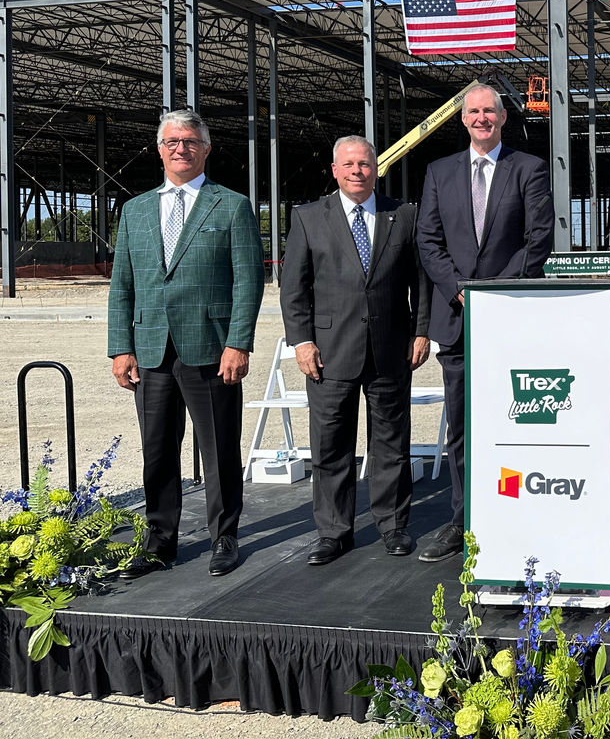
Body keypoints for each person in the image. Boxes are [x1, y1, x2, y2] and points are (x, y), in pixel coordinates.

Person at [107, 109, 265, 579]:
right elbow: (122, 285)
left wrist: (239, 342)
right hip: (151, 347)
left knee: (218, 447)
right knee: (157, 448)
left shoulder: (231, 206)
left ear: (206, 150)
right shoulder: (134, 210)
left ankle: (225, 536)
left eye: (191, 141)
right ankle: (160, 541)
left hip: (211, 348)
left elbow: (248, 281)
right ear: (159, 149)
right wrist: (120, 346)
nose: (181, 148)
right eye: (172, 141)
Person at [415, 83, 554, 562]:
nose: (481, 118)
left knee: (514, 422)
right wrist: (459, 289)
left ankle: (514, 513)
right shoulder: (438, 172)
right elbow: (428, 241)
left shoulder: (529, 169)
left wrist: (495, 294)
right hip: (456, 321)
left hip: (510, 319)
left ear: (502, 117)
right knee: (462, 427)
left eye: (489, 111)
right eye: (472, 111)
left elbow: (539, 241)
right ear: (463, 119)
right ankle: (463, 520)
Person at [279, 136, 431, 565]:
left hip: (390, 349)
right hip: (328, 352)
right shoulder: (309, 217)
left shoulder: (403, 215)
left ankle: (392, 524)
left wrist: (421, 332)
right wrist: (302, 342)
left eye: (365, 164)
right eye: (348, 164)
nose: (357, 171)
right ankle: (333, 531)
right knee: (330, 446)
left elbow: (419, 283)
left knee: (391, 443)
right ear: (334, 169)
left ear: (376, 169)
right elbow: (294, 290)